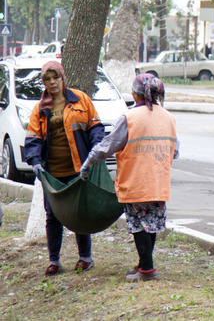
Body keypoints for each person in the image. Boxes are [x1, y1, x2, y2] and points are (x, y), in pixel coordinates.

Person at [80, 73, 178, 282]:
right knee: (151, 223)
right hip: (159, 181)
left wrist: (88, 162)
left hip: (136, 181)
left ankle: (148, 270)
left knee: (138, 224)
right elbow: (175, 151)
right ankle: (144, 264)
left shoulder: (130, 117)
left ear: (135, 93)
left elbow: (107, 146)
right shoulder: (169, 117)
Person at [24, 60, 104, 276]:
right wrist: (35, 162)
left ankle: (85, 258)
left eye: (55, 77)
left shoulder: (81, 100)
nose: (52, 83)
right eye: (47, 79)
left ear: (62, 77)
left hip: (79, 169)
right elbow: (33, 138)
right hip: (52, 174)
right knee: (52, 216)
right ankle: (54, 261)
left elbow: (95, 126)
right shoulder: (40, 109)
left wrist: (96, 148)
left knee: (80, 213)